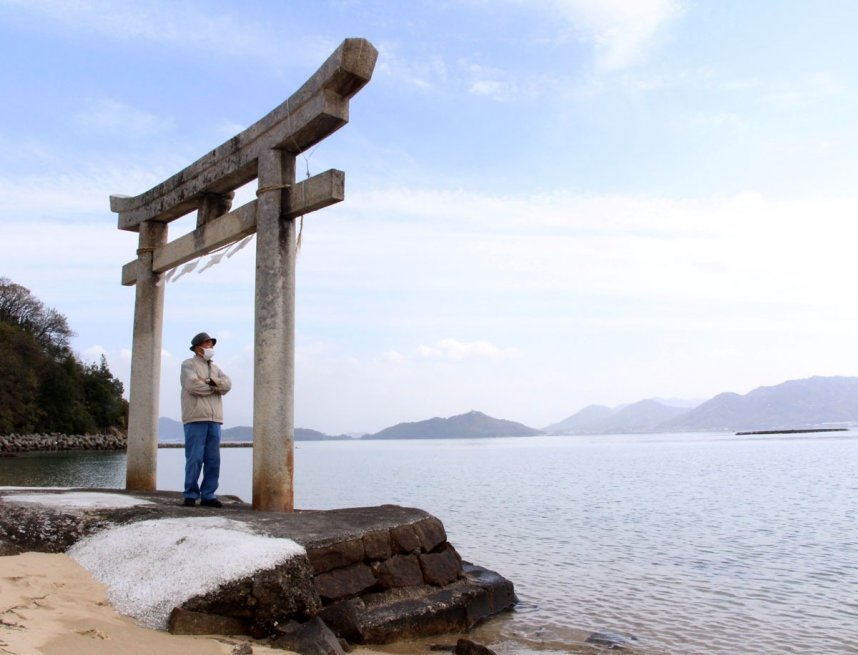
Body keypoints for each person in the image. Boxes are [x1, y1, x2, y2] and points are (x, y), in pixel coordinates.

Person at [180, 331, 232, 507]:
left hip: (215, 419)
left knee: (213, 459)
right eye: (208, 344)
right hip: (195, 418)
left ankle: (208, 495)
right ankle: (190, 494)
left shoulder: (215, 368)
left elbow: (227, 385)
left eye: (211, 344)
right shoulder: (188, 364)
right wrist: (214, 386)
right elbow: (193, 386)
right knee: (194, 458)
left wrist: (209, 381)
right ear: (198, 347)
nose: (211, 347)